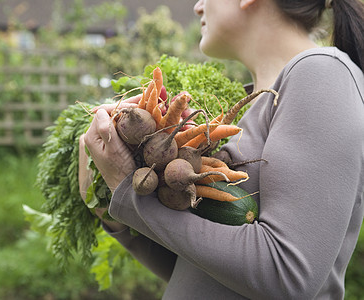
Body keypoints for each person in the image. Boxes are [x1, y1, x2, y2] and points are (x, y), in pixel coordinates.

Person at [79, 0, 364, 298]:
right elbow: (204, 273)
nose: (198, 7)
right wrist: (110, 207)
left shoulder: (322, 73)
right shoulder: (248, 103)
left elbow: (286, 274)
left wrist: (126, 189)